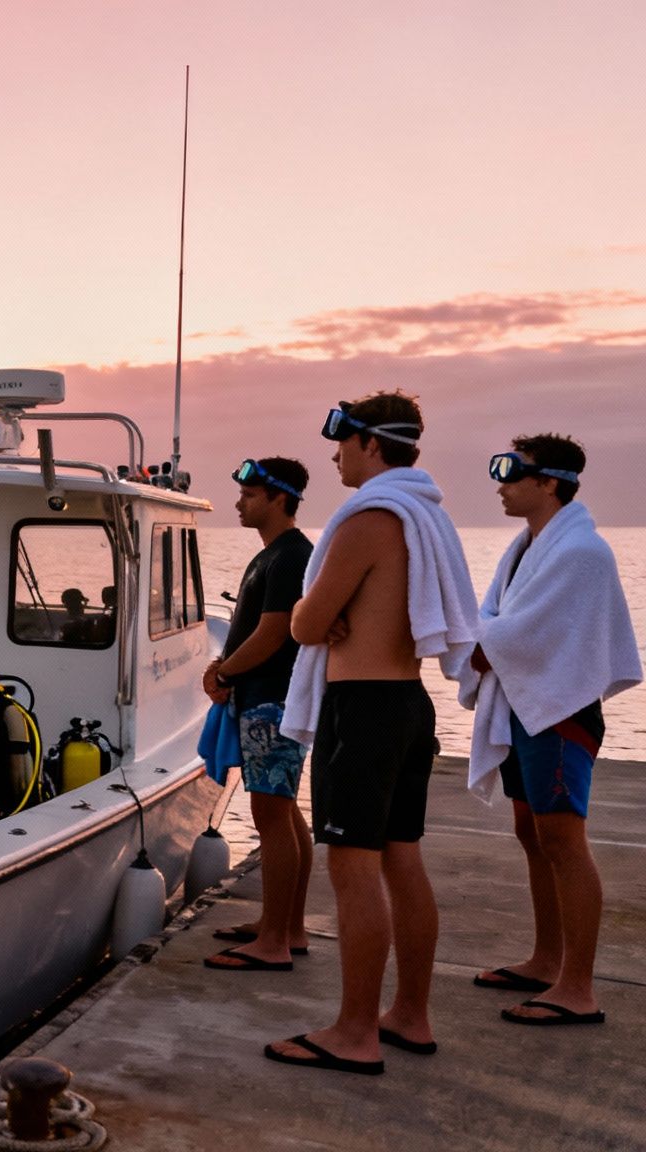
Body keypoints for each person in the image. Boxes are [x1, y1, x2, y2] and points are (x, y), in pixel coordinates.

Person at [264, 393, 479, 1075]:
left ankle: (355, 1032)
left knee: (351, 868)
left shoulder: (369, 519)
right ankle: (409, 1016)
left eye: (342, 442)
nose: (333, 455)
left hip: (361, 709)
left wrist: (314, 615)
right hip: (409, 704)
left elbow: (303, 624)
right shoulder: (423, 516)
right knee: (402, 860)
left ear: (369, 444)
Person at [462, 435, 638, 1025]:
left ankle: (578, 988)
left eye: (512, 472)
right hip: (523, 703)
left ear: (549, 482)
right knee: (530, 831)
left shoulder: (582, 551)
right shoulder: (525, 546)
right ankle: (546, 959)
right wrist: (483, 641)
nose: (501, 483)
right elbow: (500, 619)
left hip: (559, 710)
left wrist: (479, 645)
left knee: (563, 839)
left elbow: (525, 631)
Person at [203, 457, 315, 973]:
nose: (239, 503)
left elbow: (273, 633)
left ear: (277, 497)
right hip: (268, 699)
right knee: (285, 812)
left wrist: (224, 673)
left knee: (271, 815)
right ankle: (287, 928)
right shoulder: (272, 556)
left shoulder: (291, 556)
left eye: (249, 495)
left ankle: (273, 941)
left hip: (273, 701)